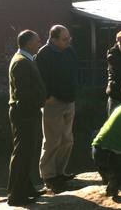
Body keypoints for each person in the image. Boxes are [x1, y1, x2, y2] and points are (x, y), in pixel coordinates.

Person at [35, 25, 78, 193]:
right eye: (65, 39)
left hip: (69, 99)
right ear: (53, 39)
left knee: (67, 138)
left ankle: (60, 172)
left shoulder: (69, 51)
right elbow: (40, 78)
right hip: (53, 102)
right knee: (52, 140)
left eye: (69, 38)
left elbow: (75, 70)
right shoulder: (44, 54)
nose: (68, 41)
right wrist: (49, 96)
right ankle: (49, 176)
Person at [7, 30, 46, 206]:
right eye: (37, 41)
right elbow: (23, 93)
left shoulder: (24, 59)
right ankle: (16, 196)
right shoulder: (22, 62)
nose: (40, 43)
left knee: (26, 153)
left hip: (26, 111)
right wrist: (40, 100)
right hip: (25, 113)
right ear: (28, 43)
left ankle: (25, 188)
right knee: (22, 153)